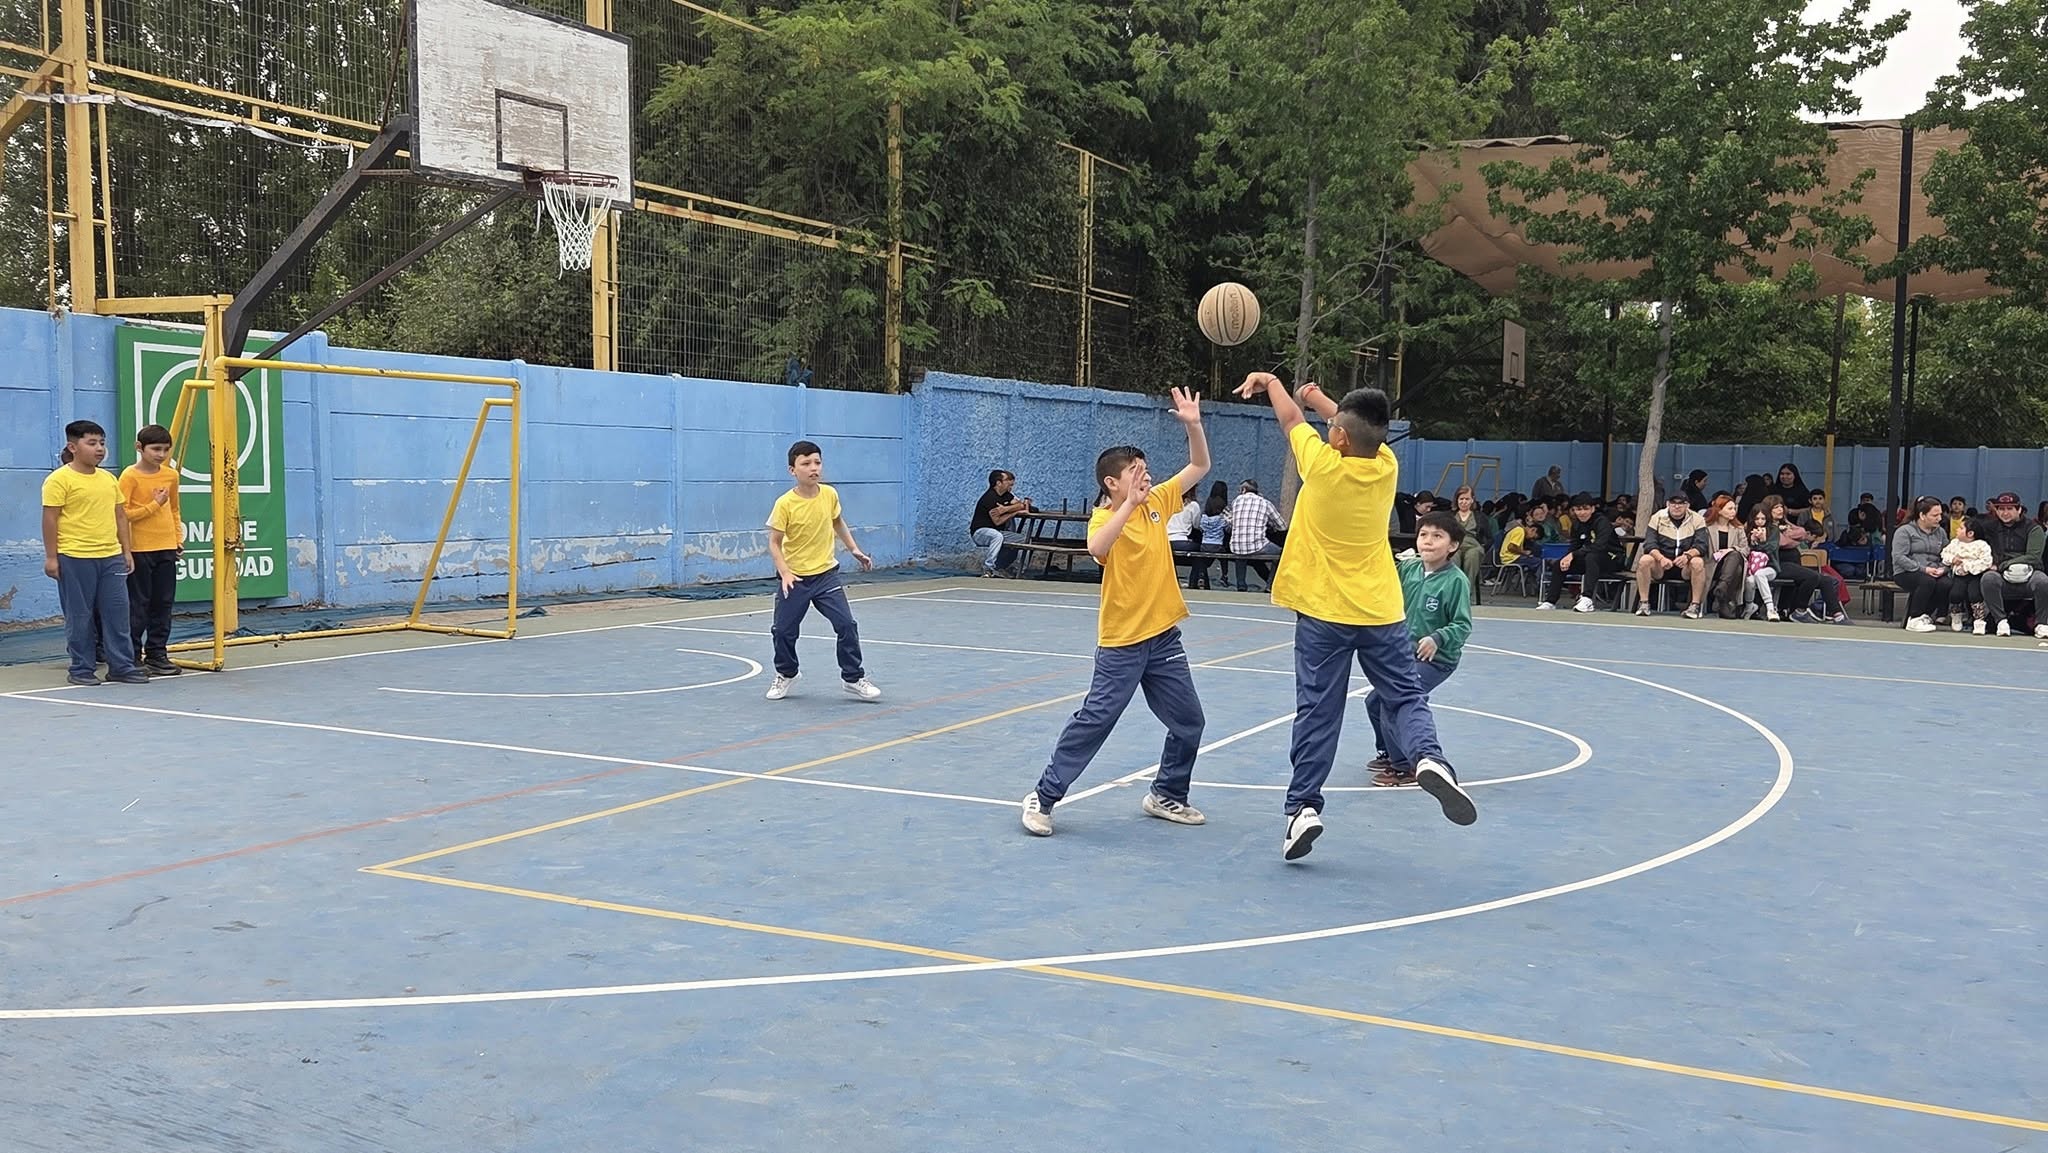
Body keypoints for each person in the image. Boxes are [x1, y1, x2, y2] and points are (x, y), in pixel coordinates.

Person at [1235, 374, 1476, 862]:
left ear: (1338, 438)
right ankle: (1430, 758)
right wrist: (1315, 396)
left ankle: (1303, 808)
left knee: (1318, 711)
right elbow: (1347, 421)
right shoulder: (1385, 464)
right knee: (1405, 696)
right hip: (1381, 609)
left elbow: (1289, 420)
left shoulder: (1322, 466)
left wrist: (1276, 385)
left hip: (1325, 612)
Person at [1022, 388, 1211, 837]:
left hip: (1162, 638)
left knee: (1190, 722)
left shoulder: (1159, 503)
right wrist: (1129, 506)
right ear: (1112, 482)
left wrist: (1193, 424)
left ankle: (1167, 794)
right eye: (1135, 473)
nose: (1145, 479)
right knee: (1096, 719)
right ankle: (1043, 796)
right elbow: (1096, 549)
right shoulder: (1106, 518)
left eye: (1146, 472)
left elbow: (1200, 466)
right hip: (1122, 642)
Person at [764, 440, 881, 702]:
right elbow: (774, 542)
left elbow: (837, 521)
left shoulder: (830, 495)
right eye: (806, 463)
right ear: (792, 470)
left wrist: (854, 550)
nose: (813, 468)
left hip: (826, 575)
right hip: (794, 578)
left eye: (817, 462)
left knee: (847, 625)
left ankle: (853, 678)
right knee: (783, 631)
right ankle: (787, 673)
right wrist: (784, 572)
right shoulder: (785, 504)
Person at [1367, 511, 1473, 788]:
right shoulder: (1409, 570)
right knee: (1373, 701)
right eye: (1423, 534)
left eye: (1437, 536)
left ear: (1453, 546)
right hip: (1404, 656)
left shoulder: (1455, 581)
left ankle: (1406, 768)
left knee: (1395, 702)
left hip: (1436, 660)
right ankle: (1388, 752)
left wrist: (1437, 637)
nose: (1428, 541)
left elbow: (1462, 624)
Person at [42, 420, 147, 687]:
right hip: (74, 557)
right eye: (92, 443)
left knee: (117, 613)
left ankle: (122, 666)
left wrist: (126, 550)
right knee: (80, 615)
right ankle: (81, 668)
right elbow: (50, 519)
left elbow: (120, 516)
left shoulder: (109, 479)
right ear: (73, 447)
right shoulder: (59, 480)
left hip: (111, 557)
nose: (99, 449)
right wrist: (52, 557)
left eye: (102, 443)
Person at [118, 423, 182, 676]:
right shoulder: (129, 476)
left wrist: (177, 538)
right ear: (139, 448)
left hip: (166, 547)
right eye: (156, 449)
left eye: (166, 449)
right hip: (139, 548)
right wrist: (154, 505)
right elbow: (122, 514)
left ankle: (157, 653)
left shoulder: (171, 476)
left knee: (163, 602)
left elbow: (175, 509)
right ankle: (132, 655)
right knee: (138, 603)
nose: (161, 454)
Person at [1978, 491, 2048, 639]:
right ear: (1996, 510)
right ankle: (2001, 622)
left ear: (2019, 509)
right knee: (1988, 578)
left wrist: (2005, 563)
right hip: (2001, 576)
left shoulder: (2034, 528)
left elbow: (2033, 557)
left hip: (2030, 575)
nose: (2005, 513)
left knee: (2042, 581)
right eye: (2001, 509)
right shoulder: (1989, 528)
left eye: (2010, 509)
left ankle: (2042, 624)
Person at [1538, 492, 1620, 613]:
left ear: (1592, 509)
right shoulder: (1576, 524)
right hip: (1590, 560)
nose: (1582, 512)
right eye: (1578, 509)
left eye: (1585, 509)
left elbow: (1599, 546)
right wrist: (1567, 557)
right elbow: (1575, 545)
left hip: (1612, 559)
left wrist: (1573, 555)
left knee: (1592, 557)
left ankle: (1587, 599)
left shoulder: (1602, 522)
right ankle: (1550, 601)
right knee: (1559, 564)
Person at [1633, 490, 1709, 618]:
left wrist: (1687, 556)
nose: (1677, 506)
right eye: (1673, 503)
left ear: (1687, 505)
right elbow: (1649, 544)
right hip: (1661, 566)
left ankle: (1694, 606)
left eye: (1681, 503)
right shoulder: (1657, 517)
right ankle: (1644, 603)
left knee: (1698, 562)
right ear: (1668, 504)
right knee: (1645, 560)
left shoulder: (1697, 519)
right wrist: (1661, 558)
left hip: (1685, 567)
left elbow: (1702, 546)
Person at [1891, 497, 1953, 634]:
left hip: (1935, 570)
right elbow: (1899, 557)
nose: (1939, 518)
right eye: (1935, 515)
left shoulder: (1941, 532)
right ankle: (1914, 617)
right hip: (1906, 572)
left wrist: (1943, 568)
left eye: (1940, 514)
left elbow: (1948, 554)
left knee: (1946, 584)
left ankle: (1926, 615)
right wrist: (1924, 569)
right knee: (1927, 581)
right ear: (1922, 516)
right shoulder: (1904, 531)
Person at [969, 469, 1031, 578]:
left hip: (999, 532)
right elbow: (997, 521)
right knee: (997, 536)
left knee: (1027, 540)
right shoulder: (989, 498)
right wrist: (1013, 512)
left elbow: (1020, 505)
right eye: (1007, 480)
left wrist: (1005, 509)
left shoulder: (1007, 495)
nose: (1011, 483)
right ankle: (988, 569)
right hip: (981, 532)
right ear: (998, 483)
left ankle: (1016, 569)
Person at [1226, 478, 1284, 592]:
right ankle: (1270, 585)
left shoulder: (1236, 501)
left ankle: (1241, 585)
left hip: (1236, 546)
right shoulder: (1265, 503)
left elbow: (1231, 522)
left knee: (1240, 549)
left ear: (1243, 490)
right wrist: (1269, 523)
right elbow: (1282, 525)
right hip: (1257, 545)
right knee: (1281, 553)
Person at [1940, 516, 1994, 634]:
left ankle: (1979, 621)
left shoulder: (1982, 545)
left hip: (1975, 576)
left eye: (1960, 528)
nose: (1957, 530)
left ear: (1970, 533)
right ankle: (1956, 615)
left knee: (1975, 595)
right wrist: (1952, 559)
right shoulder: (1955, 543)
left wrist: (1966, 566)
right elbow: (1944, 554)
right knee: (1955, 594)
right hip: (1959, 576)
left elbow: (1986, 562)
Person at [1703, 494, 1751, 618]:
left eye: (1734, 508)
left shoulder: (1738, 528)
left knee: (1735, 555)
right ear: (1719, 510)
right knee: (1738, 570)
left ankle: (1722, 589)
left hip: (1730, 567)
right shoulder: (1707, 528)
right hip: (1712, 564)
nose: (1733, 512)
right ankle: (1723, 599)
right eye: (1730, 509)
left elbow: (1745, 549)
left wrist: (1729, 550)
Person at [1449, 485, 1490, 591]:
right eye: (1461, 499)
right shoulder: (1449, 516)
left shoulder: (1480, 517)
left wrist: (1483, 547)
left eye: (1467, 499)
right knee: (1453, 557)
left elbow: (1490, 537)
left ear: (1472, 500)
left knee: (1473, 556)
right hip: (1455, 544)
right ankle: (1453, 591)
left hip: (1473, 545)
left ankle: (1466, 591)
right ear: (1456, 500)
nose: (1464, 502)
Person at [1193, 481, 1230, 590]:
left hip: (1205, 544)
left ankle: (1201, 575)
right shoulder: (1222, 517)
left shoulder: (1204, 517)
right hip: (1218, 545)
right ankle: (1224, 576)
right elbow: (1227, 527)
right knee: (1224, 557)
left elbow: (1200, 527)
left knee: (1204, 561)